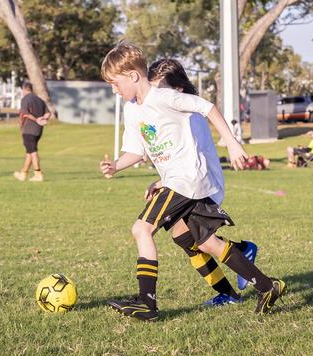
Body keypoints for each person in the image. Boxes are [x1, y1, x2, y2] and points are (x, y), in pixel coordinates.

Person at [99, 42, 286, 321]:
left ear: (133, 76)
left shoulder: (164, 98)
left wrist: (233, 144)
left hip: (187, 180)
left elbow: (206, 106)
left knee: (141, 229)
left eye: (115, 83)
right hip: (177, 181)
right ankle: (268, 286)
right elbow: (137, 151)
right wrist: (116, 165)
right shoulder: (131, 109)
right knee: (203, 242)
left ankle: (146, 303)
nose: (113, 90)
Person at [146, 58, 259, 307]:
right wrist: (163, 180)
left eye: (160, 89)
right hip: (189, 182)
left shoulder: (189, 114)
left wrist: (231, 142)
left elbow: (192, 157)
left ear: (178, 88)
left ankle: (240, 262)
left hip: (201, 184)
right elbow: (178, 158)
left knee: (201, 241)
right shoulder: (174, 113)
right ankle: (232, 278)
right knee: (184, 238)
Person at [14, 81, 50, 182]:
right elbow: (48, 113)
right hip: (38, 131)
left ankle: (38, 173)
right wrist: (43, 119)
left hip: (28, 130)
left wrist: (36, 119)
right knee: (29, 152)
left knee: (33, 152)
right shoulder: (39, 100)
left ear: (24, 89)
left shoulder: (25, 99)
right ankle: (23, 174)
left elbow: (25, 114)